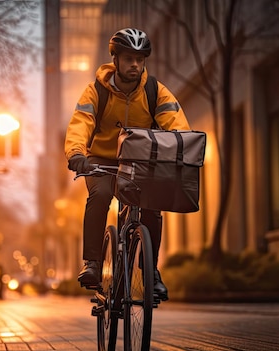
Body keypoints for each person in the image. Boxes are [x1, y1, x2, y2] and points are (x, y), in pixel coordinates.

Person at [64, 28, 191, 301]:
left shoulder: (155, 91)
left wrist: (182, 150)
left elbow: (177, 127)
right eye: (129, 58)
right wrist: (77, 153)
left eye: (140, 59)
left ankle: (151, 272)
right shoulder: (96, 90)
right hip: (101, 159)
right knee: (99, 195)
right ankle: (93, 264)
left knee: (152, 207)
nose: (135, 64)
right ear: (116, 59)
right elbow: (80, 125)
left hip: (139, 160)